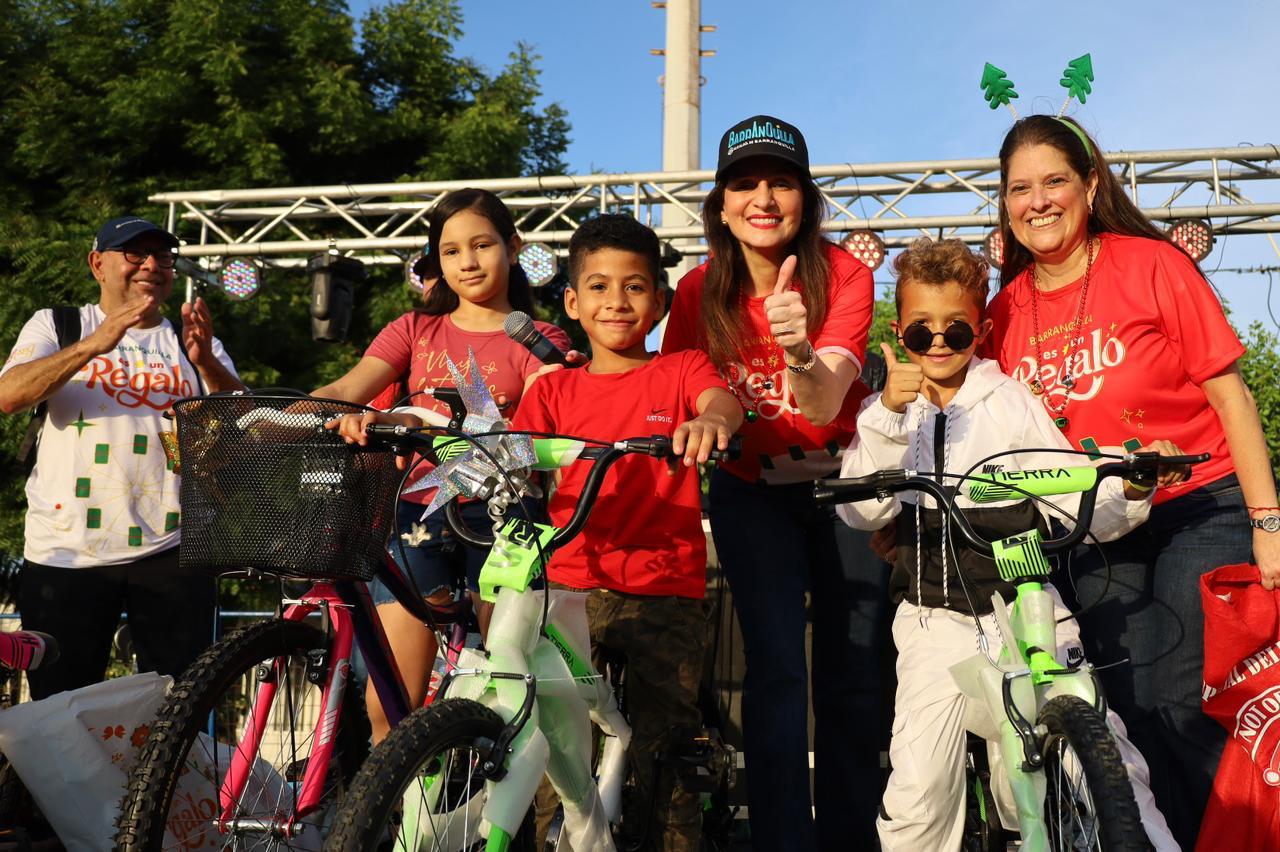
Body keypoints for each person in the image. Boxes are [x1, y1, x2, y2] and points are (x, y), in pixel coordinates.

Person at [981, 114, 1280, 848]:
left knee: (1179, 696)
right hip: (1092, 525)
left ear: (1090, 185)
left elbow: (1230, 395)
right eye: (1021, 188)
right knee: (1130, 708)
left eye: (1055, 180)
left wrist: (1270, 522)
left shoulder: (1151, 265)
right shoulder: (1001, 312)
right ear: (1005, 204)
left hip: (1194, 505)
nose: (1038, 201)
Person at [839, 237, 1177, 850]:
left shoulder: (1011, 402)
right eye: (921, 333)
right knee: (918, 796)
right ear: (899, 331)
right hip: (931, 618)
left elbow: (1073, 498)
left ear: (983, 329)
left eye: (957, 331)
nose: (938, 344)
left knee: (1106, 765)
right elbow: (862, 509)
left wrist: (1128, 489)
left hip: (1029, 610)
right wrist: (887, 415)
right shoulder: (884, 413)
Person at [660, 114, 886, 849]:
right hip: (752, 494)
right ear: (721, 205)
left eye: (781, 182)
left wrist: (796, 346)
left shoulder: (846, 272)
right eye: (745, 183)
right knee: (777, 669)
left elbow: (823, 406)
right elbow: (679, 398)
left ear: (807, 199)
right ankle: (784, 839)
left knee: (853, 676)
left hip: (847, 491)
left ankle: (852, 836)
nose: (763, 197)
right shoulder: (695, 293)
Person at [510, 214, 741, 850]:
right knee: (556, 754)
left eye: (636, 286)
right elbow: (516, 461)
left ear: (661, 301)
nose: (617, 300)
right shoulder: (553, 389)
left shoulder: (682, 367)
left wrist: (709, 422)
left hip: (662, 588)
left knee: (666, 751)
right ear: (572, 303)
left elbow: (724, 403)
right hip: (567, 590)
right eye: (600, 286)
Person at [311, 188, 571, 743]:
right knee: (390, 709)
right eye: (451, 251)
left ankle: (498, 826)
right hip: (414, 513)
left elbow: (546, 427)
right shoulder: (412, 329)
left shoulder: (540, 336)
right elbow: (348, 389)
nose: (468, 262)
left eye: (482, 245)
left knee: (506, 698)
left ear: (514, 247)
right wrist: (299, 414)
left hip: (506, 517)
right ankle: (396, 828)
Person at [0, 215, 243, 698]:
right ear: (98, 264)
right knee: (60, 707)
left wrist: (209, 365)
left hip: (173, 548)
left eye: (163, 256)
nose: (152, 265)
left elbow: (244, 423)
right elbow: (9, 394)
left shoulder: (190, 340)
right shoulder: (61, 323)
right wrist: (95, 344)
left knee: (179, 709)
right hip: (66, 550)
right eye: (135, 253)